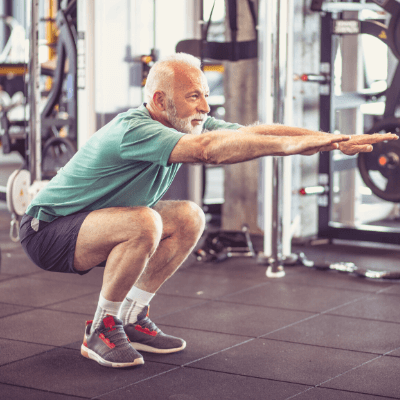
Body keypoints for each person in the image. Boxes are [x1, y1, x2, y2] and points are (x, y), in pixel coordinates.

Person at [19, 53, 398, 368]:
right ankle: (101, 329)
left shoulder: (188, 122)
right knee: (145, 221)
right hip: (48, 231)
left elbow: (254, 134)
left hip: (96, 223)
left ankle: (131, 317)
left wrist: (333, 141)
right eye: (193, 96)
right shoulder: (134, 130)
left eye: (204, 95)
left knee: (188, 216)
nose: (205, 106)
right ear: (160, 102)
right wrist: (292, 148)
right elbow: (209, 151)